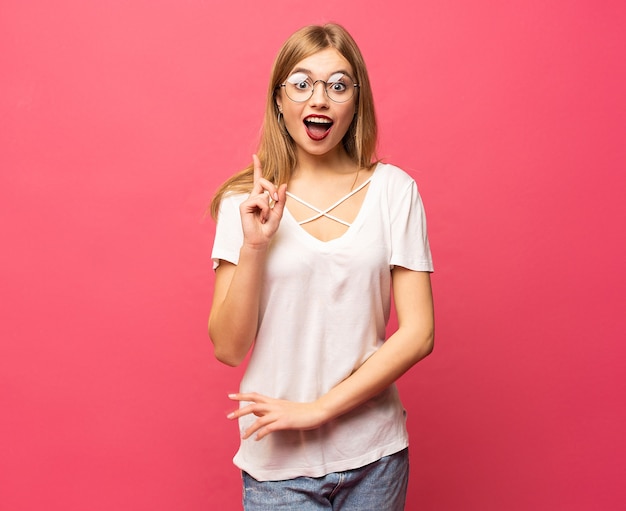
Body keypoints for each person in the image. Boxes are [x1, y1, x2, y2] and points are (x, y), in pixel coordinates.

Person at [209, 23, 434, 511]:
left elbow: (419, 333)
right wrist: (253, 247)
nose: (320, 99)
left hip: (375, 457)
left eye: (338, 85)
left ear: (356, 102)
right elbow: (228, 348)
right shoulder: (244, 203)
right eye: (301, 82)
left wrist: (317, 410)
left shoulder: (394, 191)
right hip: (278, 469)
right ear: (279, 100)